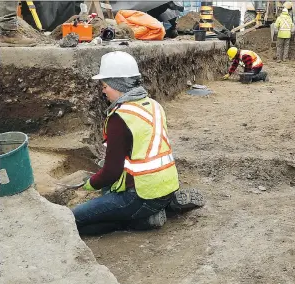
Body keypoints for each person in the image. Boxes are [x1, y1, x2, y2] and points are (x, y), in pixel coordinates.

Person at [72, 51, 204, 236]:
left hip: (142, 195)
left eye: (105, 85)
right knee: (107, 196)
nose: (103, 90)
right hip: (167, 186)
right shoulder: (153, 105)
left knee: (74, 220)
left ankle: (141, 220)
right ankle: (168, 204)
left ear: (118, 85)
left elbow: (111, 172)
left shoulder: (120, 117)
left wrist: (89, 183)